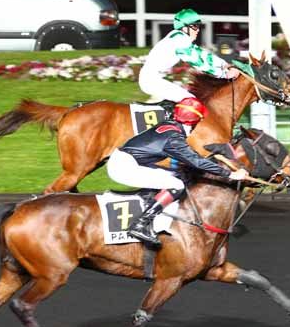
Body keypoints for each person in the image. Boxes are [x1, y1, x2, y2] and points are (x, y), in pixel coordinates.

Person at [106, 97, 250, 247]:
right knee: (177, 185)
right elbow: (195, 161)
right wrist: (230, 174)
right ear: (195, 121)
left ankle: (153, 206)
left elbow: (190, 156)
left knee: (175, 175)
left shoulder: (171, 125)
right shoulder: (174, 138)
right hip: (124, 167)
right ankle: (140, 224)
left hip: (128, 160)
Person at [138, 8, 241, 105]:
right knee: (191, 102)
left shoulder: (179, 37)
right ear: (184, 27)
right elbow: (197, 61)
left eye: (198, 26)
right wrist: (224, 74)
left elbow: (201, 54)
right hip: (152, 80)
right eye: (195, 26)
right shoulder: (179, 40)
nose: (198, 30)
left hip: (154, 79)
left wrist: (223, 64)